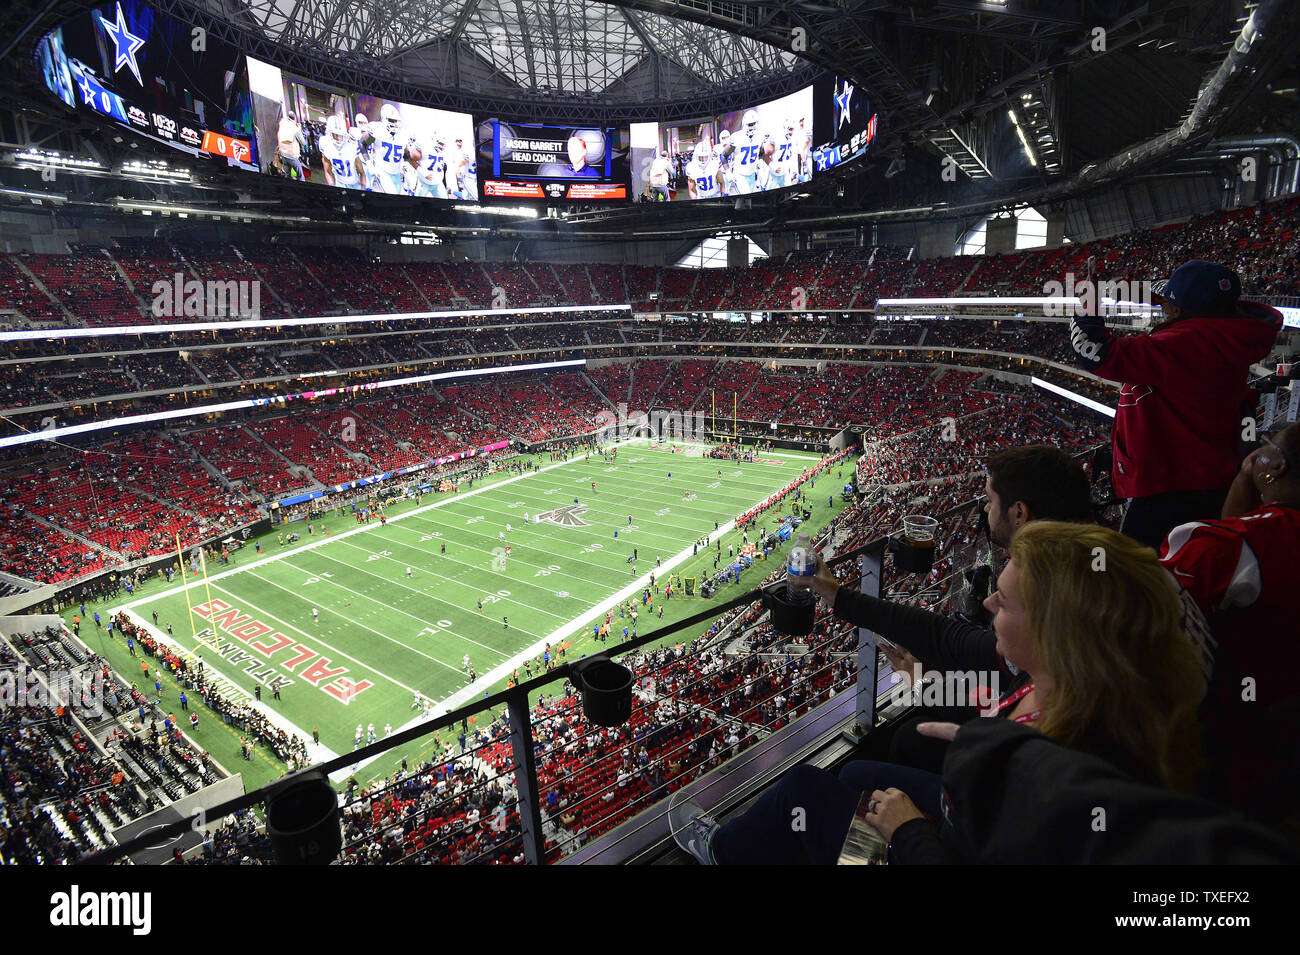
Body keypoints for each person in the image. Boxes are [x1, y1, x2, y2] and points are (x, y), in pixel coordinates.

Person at [673, 522, 1208, 864]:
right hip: (960, 817)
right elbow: (941, 636)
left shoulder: (1070, 763)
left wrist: (907, 832)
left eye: (1005, 601)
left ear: (1056, 633)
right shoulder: (1067, 683)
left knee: (803, 789)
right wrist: (837, 595)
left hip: (943, 845)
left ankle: (721, 850)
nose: (989, 606)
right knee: (858, 773)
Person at [1067, 259, 1282, 549]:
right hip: (1209, 476)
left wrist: (1086, 303)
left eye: (1168, 302)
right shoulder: (1223, 333)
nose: (1162, 308)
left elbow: (1096, 352)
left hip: (1167, 489)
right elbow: (1182, 300)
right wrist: (1121, 288)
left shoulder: (1184, 343)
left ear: (1179, 309)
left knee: (1143, 577)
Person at [1159, 422, 1300, 824]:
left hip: (1241, 749)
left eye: (1268, 446)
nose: (1259, 451)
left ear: (1279, 466)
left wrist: (1246, 476)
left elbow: (1143, 613)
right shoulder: (1247, 542)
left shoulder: (1222, 545)